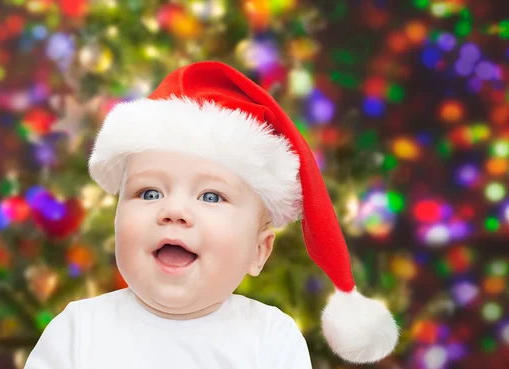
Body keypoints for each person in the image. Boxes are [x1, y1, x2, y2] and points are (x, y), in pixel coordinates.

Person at [23, 61, 399, 369]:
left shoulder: (270, 338)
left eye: (211, 196)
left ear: (260, 251)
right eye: (149, 192)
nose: (173, 211)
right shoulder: (79, 330)